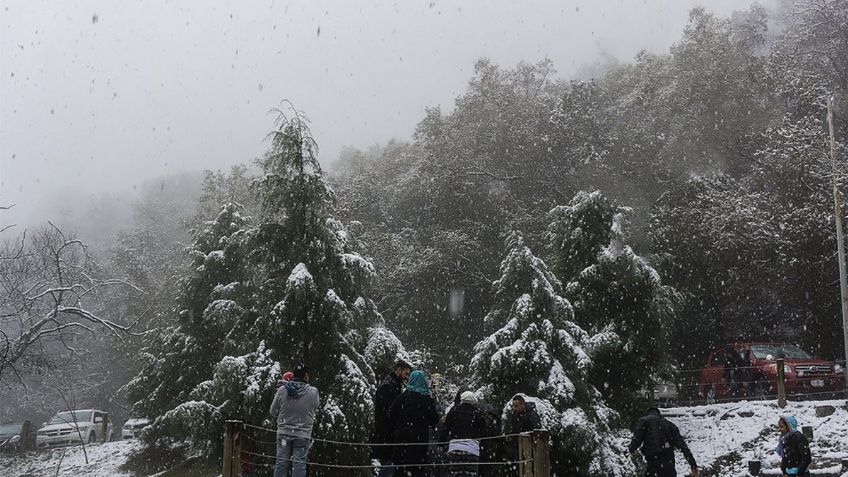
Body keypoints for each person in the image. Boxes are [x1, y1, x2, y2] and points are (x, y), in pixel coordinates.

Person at [270, 365, 320, 477]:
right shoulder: (313, 392)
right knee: (299, 464)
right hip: (303, 435)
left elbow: (273, 411)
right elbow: (314, 407)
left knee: (281, 462)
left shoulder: (282, 390)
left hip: (283, 433)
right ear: (306, 376)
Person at [389, 370, 440, 477]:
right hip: (419, 440)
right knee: (418, 470)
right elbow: (434, 420)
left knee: (400, 470)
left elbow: (391, 413)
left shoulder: (402, 397)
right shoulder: (426, 399)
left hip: (402, 439)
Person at [629, 407, 698, 477]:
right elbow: (683, 446)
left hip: (653, 465)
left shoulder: (644, 421)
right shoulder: (670, 425)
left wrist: (630, 449)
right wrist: (693, 465)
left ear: (648, 413)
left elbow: (635, 442)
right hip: (669, 466)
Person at [372, 359, 413, 477]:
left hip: (389, 433)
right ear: (398, 370)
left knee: (389, 466)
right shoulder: (388, 386)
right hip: (387, 433)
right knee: (388, 466)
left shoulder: (393, 385)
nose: (407, 377)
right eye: (406, 373)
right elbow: (388, 412)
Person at [439, 391, 487, 477]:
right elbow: (484, 433)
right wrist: (483, 448)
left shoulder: (454, 411)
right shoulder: (477, 413)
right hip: (472, 449)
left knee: (455, 474)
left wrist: (441, 443)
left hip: (455, 448)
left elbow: (446, 428)